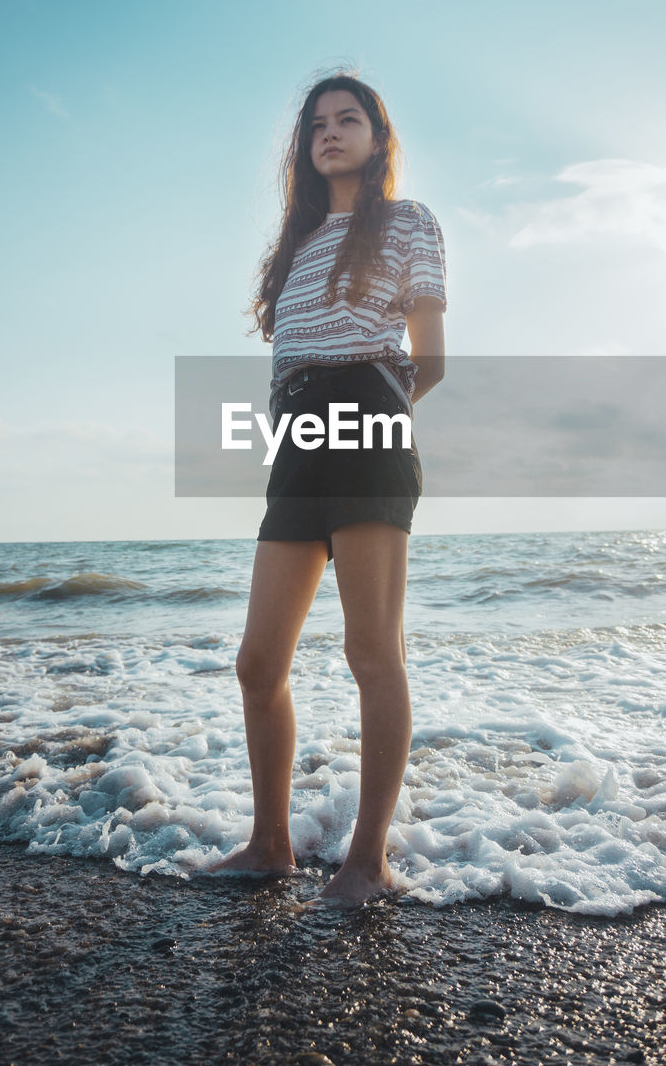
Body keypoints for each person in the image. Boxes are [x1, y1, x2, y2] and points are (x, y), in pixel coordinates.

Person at [208, 71, 447, 905]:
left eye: (349, 120)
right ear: (305, 148)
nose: (331, 132)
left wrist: (367, 425)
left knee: (369, 652)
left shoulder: (409, 223)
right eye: (317, 124)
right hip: (298, 441)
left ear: (377, 138)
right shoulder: (297, 244)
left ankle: (367, 862)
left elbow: (432, 357)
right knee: (256, 662)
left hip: (368, 423)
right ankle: (269, 844)